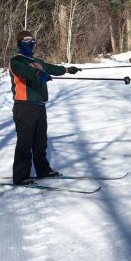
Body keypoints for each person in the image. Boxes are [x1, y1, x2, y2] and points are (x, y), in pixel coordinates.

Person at [9, 30, 81, 184]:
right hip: (24, 106)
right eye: (27, 39)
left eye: (32, 39)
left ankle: (43, 170)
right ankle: (21, 177)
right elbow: (26, 72)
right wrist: (38, 74)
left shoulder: (37, 61)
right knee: (25, 143)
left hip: (40, 106)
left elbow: (51, 68)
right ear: (20, 43)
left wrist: (67, 70)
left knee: (40, 142)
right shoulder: (16, 61)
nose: (31, 42)